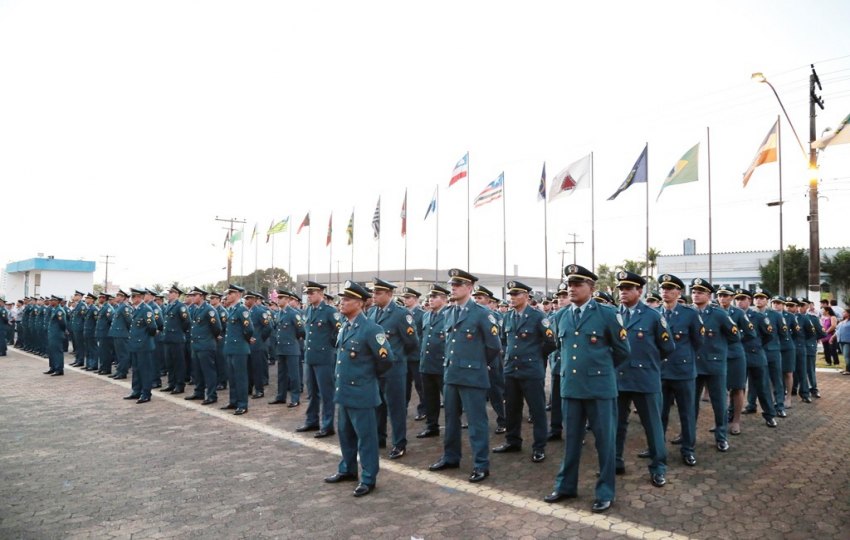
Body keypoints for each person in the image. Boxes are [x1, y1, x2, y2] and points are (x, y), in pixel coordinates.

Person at [545, 265, 630, 514]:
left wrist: (600, 371)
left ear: (591, 288)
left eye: (578, 284)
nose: (571, 288)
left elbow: (623, 351)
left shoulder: (606, 313)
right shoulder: (560, 316)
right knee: (571, 442)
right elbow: (561, 351)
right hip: (571, 389)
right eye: (569, 284)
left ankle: (605, 492)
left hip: (600, 389)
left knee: (605, 442)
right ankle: (565, 486)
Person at [428, 269, 502, 483]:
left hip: (473, 376)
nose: (453, 288)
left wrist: (478, 365)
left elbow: (493, 346)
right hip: (451, 374)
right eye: (452, 284)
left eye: (458, 284)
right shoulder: (449, 312)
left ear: (470, 288)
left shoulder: (481, 313)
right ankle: (451, 457)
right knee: (451, 420)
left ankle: (481, 464)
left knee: (477, 422)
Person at [323, 281, 394, 497]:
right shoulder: (346, 325)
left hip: (362, 393)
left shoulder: (372, 328)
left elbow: (386, 359)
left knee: (366, 438)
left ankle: (369, 478)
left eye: (346, 300)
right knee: (345, 435)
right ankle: (348, 469)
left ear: (360, 303)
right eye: (342, 299)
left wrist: (368, 378)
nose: (341, 303)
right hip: (344, 391)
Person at [614, 270, 674, 488]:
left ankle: (658, 467)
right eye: (620, 288)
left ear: (639, 291)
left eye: (628, 288)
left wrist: (650, 364)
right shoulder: (612, 314)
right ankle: (616, 461)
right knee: (617, 424)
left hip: (645, 378)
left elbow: (667, 347)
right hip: (619, 378)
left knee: (652, 425)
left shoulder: (653, 316)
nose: (623, 292)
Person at [493, 280, 555, 463]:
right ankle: (512, 441)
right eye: (510, 295)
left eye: (516, 294)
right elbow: (504, 340)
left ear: (527, 296)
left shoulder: (538, 317)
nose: (512, 298)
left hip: (531, 371)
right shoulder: (508, 317)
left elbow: (551, 342)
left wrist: (535, 356)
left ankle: (539, 447)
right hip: (511, 369)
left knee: (537, 410)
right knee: (512, 408)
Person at [368, 278, 419, 459]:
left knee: (396, 407)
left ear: (389, 294)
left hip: (395, 368)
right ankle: (379, 437)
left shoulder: (400, 314)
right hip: (377, 368)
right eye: (374, 292)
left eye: (378, 293)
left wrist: (399, 357)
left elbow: (412, 342)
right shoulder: (372, 313)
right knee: (378, 405)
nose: (374, 296)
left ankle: (399, 443)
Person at [657, 274, 702, 466]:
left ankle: (688, 449)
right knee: (659, 413)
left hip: (683, 372)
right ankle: (657, 448)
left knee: (687, 412)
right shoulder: (654, 313)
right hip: (661, 371)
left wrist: (686, 360)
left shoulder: (689, 314)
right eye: (663, 289)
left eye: (670, 289)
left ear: (678, 292)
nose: (665, 292)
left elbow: (699, 342)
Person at [690, 278, 739, 453]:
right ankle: (689, 436)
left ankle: (721, 436)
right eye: (694, 292)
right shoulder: (688, 312)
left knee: (719, 404)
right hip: (694, 365)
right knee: (691, 403)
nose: (696, 295)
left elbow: (734, 336)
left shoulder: (718, 314)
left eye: (700, 292)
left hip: (715, 366)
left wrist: (719, 350)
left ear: (709, 295)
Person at [296, 281, 341, 437]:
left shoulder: (329, 311)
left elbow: (340, 331)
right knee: (312, 392)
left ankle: (328, 425)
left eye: (312, 293)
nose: (309, 296)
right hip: (310, 357)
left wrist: (330, 346)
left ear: (321, 293)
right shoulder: (308, 311)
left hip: (324, 357)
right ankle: (312, 421)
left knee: (326, 392)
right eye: (307, 293)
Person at [417, 284, 450, 439]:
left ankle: (452, 427)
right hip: (427, 363)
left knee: (449, 400)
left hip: (442, 364)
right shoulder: (426, 315)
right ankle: (432, 426)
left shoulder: (449, 315)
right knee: (430, 398)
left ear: (444, 299)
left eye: (434, 297)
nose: (430, 300)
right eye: (430, 297)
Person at [220, 284, 254, 415]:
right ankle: (233, 401)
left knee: (240, 378)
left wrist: (244, 339)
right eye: (227, 294)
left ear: (238, 295)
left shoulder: (241, 310)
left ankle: (242, 404)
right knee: (232, 377)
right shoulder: (231, 310)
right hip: (230, 348)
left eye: (230, 293)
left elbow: (249, 329)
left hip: (239, 348)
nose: (227, 296)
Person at [184, 287, 222, 405]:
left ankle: (211, 395)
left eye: (195, 295)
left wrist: (209, 338)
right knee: (197, 371)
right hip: (196, 345)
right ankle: (199, 392)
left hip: (206, 345)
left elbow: (217, 328)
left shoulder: (209, 310)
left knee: (208, 371)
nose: (192, 297)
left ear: (201, 296)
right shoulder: (196, 309)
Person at [269, 289, 305, 407]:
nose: (278, 300)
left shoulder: (293, 313)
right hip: (281, 348)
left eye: (281, 298)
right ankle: (281, 396)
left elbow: (301, 330)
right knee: (281, 374)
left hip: (291, 348)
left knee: (293, 375)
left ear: (287, 300)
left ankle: (295, 398)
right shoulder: (280, 313)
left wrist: (293, 339)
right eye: (278, 298)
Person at [125, 288, 158, 403]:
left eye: (134, 297)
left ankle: (146, 393)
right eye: (132, 297)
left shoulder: (146, 310)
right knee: (136, 369)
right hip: (135, 345)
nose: (132, 299)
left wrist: (145, 339)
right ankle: (136, 391)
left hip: (143, 345)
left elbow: (152, 328)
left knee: (145, 370)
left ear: (139, 297)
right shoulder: (135, 309)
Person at [401, 287, 427, 422]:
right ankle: (402, 409)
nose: (405, 300)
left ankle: (423, 410)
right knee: (404, 385)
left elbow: (423, 335)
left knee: (420, 385)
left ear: (416, 299)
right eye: (405, 298)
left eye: (408, 298)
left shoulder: (422, 314)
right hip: (405, 355)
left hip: (416, 355)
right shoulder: (402, 314)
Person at [162, 286, 191, 394]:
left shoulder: (180, 306)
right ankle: (171, 383)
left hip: (177, 339)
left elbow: (187, 322)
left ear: (177, 294)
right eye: (169, 292)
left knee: (179, 363)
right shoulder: (169, 306)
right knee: (169, 363)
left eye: (171, 292)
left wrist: (179, 331)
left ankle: (179, 385)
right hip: (168, 339)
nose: (169, 294)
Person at [833, 310, 850, 374]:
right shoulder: (842, 322)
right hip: (840, 340)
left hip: (848, 341)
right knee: (845, 355)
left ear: (848, 313)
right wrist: (832, 337)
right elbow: (837, 331)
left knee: (847, 355)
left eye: (845, 312)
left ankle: (848, 370)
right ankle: (847, 368)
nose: (843, 313)